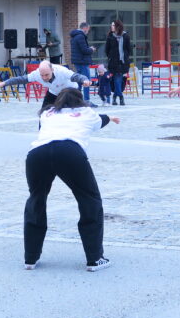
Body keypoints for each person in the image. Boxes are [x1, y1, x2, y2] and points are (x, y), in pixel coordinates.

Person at [23, 88, 118, 272]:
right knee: (89, 200)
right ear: (80, 100)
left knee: (36, 200)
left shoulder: (47, 113)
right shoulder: (87, 111)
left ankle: (30, 258)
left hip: (37, 154)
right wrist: (110, 118)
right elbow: (99, 121)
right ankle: (95, 258)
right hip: (69, 151)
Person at [0, 60, 90, 112]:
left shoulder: (61, 71)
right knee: (43, 113)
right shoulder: (36, 74)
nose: (44, 78)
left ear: (52, 70)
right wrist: (4, 83)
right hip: (54, 92)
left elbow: (76, 76)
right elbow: (21, 79)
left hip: (70, 92)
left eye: (47, 75)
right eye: (42, 75)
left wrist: (84, 80)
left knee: (72, 113)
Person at [104, 19, 133, 106]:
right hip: (113, 62)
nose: (111, 27)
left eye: (113, 25)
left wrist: (125, 57)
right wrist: (111, 57)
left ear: (118, 27)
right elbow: (107, 50)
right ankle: (120, 97)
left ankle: (117, 97)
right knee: (117, 80)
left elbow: (129, 49)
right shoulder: (110, 36)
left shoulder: (125, 36)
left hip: (122, 62)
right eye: (111, 25)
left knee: (118, 79)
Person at [70, 22, 97, 103]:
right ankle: (87, 100)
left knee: (79, 81)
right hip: (82, 62)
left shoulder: (74, 36)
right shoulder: (81, 36)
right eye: (88, 29)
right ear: (85, 28)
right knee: (86, 81)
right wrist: (91, 49)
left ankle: (76, 100)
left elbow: (80, 49)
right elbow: (84, 50)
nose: (88, 31)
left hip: (77, 61)